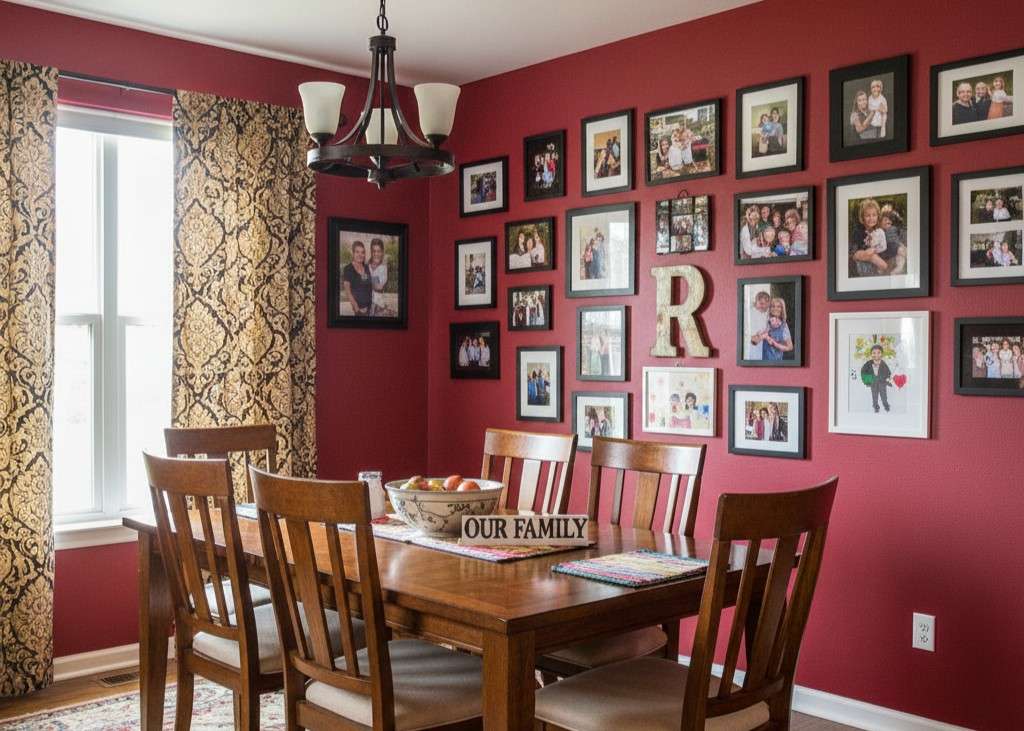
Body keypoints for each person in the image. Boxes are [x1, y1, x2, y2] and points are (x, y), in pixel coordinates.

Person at [342, 240, 373, 316]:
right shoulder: (348, 269)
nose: (360, 255)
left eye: (362, 252)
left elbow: (367, 283)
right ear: (353, 253)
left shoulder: (366, 267)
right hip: (359, 310)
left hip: (370, 308)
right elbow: (348, 292)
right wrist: (357, 309)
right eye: (357, 252)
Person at [861, 344, 893, 413]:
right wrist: (868, 381)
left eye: (878, 353)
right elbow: (863, 372)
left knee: (884, 395)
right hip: (873, 383)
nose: (876, 355)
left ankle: (886, 405)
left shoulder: (883, 363)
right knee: (874, 396)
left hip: (882, 382)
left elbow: (888, 372)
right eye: (874, 353)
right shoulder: (868, 364)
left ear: (882, 354)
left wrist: (888, 378)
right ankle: (876, 406)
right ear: (871, 354)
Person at [746, 290, 771, 361]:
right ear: (756, 302)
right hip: (751, 345)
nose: (764, 306)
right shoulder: (750, 312)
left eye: (766, 304)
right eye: (761, 303)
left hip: (761, 347)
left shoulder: (767, 314)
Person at [367, 238, 389, 316]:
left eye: (378, 251)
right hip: (366, 304)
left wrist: (366, 280)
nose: (376, 254)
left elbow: (379, 287)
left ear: (382, 252)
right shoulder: (367, 266)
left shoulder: (383, 268)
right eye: (374, 251)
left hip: (378, 305)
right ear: (371, 252)